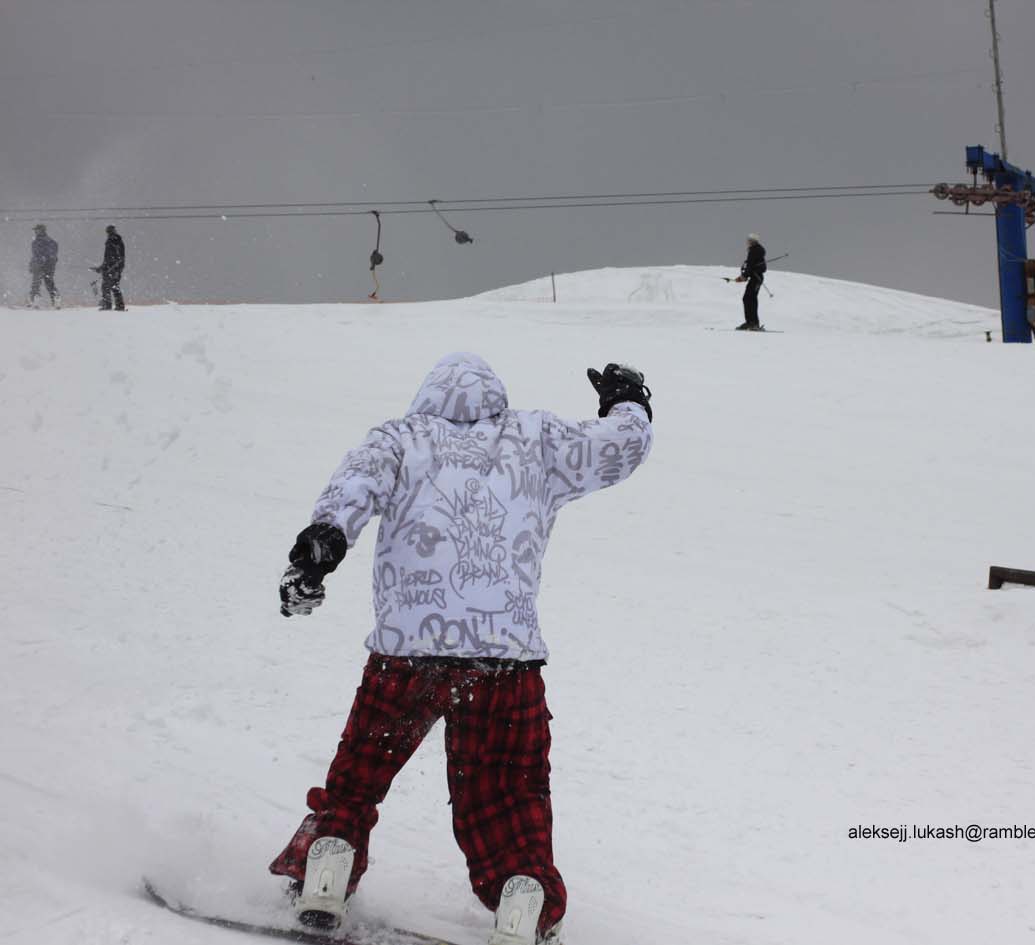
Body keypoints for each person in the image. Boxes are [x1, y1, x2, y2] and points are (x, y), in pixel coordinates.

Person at [269, 353, 654, 945]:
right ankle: (522, 893)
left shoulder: (401, 438)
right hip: (503, 660)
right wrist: (626, 400)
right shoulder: (536, 439)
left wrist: (317, 553)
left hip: (408, 651)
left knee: (360, 773)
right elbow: (619, 446)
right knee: (508, 791)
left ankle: (329, 864)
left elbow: (353, 488)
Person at [733, 233, 767, 331]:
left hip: (756, 278)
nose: (748, 242)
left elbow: (750, 266)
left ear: (752, 241)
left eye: (749, 240)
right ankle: (750, 322)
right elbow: (752, 266)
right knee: (748, 298)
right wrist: (745, 276)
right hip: (756, 278)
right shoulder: (757, 250)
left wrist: (743, 277)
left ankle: (753, 323)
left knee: (750, 298)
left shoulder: (754, 251)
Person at [93, 225, 125, 311]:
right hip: (117, 268)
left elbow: (108, 258)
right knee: (114, 286)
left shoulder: (111, 242)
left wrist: (103, 268)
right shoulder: (119, 241)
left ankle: (108, 305)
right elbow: (119, 258)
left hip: (111, 268)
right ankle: (119, 305)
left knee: (106, 287)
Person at [28, 224, 59, 308]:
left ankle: (35, 300)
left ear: (42, 230)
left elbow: (40, 255)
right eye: (35, 230)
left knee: (37, 283)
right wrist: (32, 264)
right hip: (45, 266)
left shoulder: (42, 242)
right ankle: (55, 299)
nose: (35, 231)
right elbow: (35, 255)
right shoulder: (51, 242)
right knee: (47, 283)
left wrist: (41, 262)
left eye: (37, 230)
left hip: (42, 265)